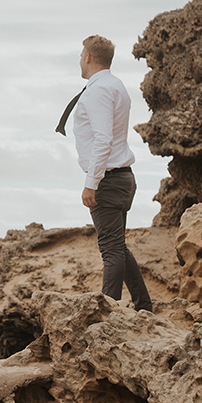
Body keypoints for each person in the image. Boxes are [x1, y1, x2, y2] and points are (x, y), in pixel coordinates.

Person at [58, 35, 153, 311]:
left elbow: (103, 139)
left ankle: (107, 314)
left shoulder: (99, 90)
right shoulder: (115, 85)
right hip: (121, 177)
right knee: (118, 247)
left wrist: (92, 183)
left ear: (88, 56)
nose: (79, 60)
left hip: (108, 180)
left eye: (80, 55)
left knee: (111, 252)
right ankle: (144, 305)